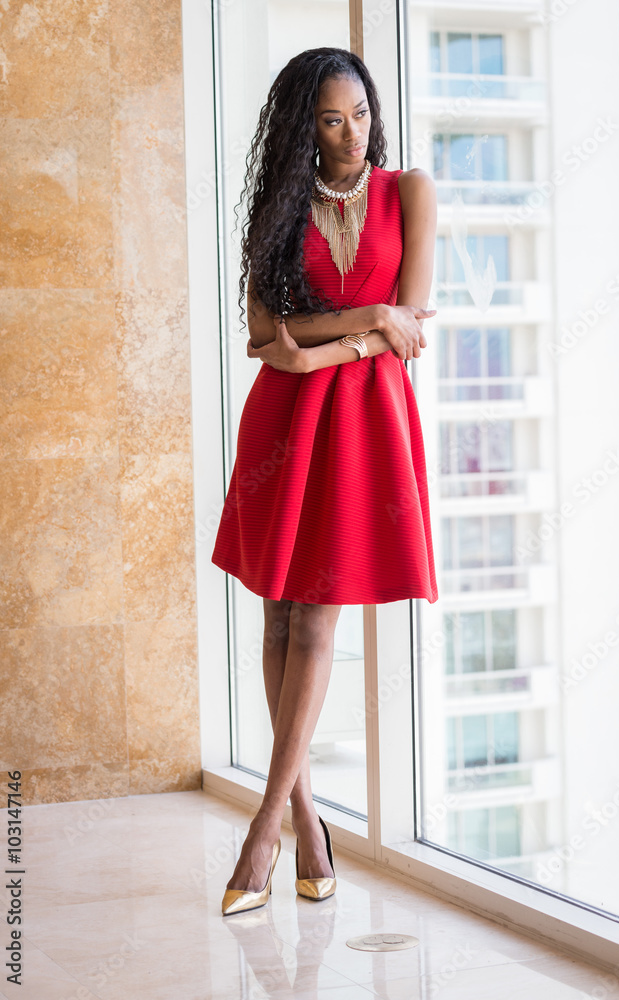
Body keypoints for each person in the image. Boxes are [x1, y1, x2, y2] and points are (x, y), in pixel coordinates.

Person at [213, 46, 439, 916]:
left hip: (362, 425)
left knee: (316, 616)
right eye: (330, 120)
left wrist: (331, 350)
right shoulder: (278, 209)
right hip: (282, 422)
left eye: (360, 115)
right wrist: (364, 321)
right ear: (302, 126)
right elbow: (265, 336)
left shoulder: (408, 190)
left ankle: (263, 827)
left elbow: (409, 323)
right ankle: (309, 821)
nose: (351, 135)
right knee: (277, 612)